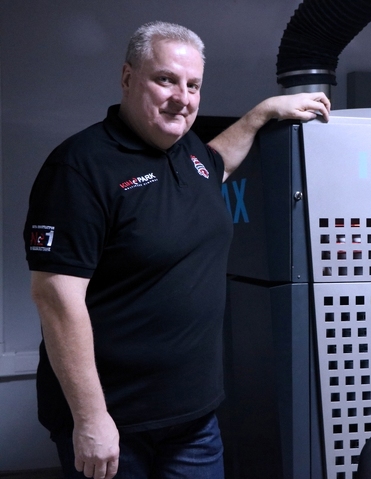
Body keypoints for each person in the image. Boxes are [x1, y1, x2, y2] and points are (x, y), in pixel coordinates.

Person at [24, 21, 330, 479]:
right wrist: (91, 419)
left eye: (193, 85)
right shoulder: (80, 167)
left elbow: (217, 162)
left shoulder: (189, 155)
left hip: (194, 419)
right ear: (128, 77)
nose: (181, 97)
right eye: (165, 79)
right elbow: (55, 299)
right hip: (117, 423)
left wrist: (261, 113)